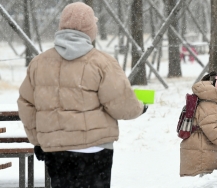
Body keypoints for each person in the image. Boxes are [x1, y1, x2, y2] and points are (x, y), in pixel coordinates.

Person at [17, 2, 147, 188]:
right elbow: (120, 105)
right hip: (95, 150)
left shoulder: (39, 63)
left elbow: (26, 104)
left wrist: (37, 140)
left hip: (56, 150)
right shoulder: (102, 62)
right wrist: (141, 107)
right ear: (90, 30)